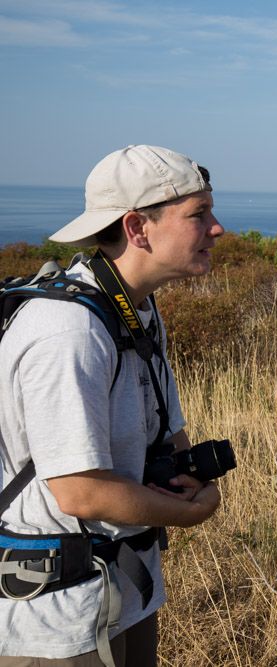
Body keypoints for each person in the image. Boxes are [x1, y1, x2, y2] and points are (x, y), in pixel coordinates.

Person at [0, 145, 224, 666]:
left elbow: (168, 435)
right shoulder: (68, 331)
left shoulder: (138, 311)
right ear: (137, 228)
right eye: (198, 214)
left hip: (122, 591)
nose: (217, 228)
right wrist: (192, 512)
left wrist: (190, 475)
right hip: (57, 620)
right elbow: (81, 491)